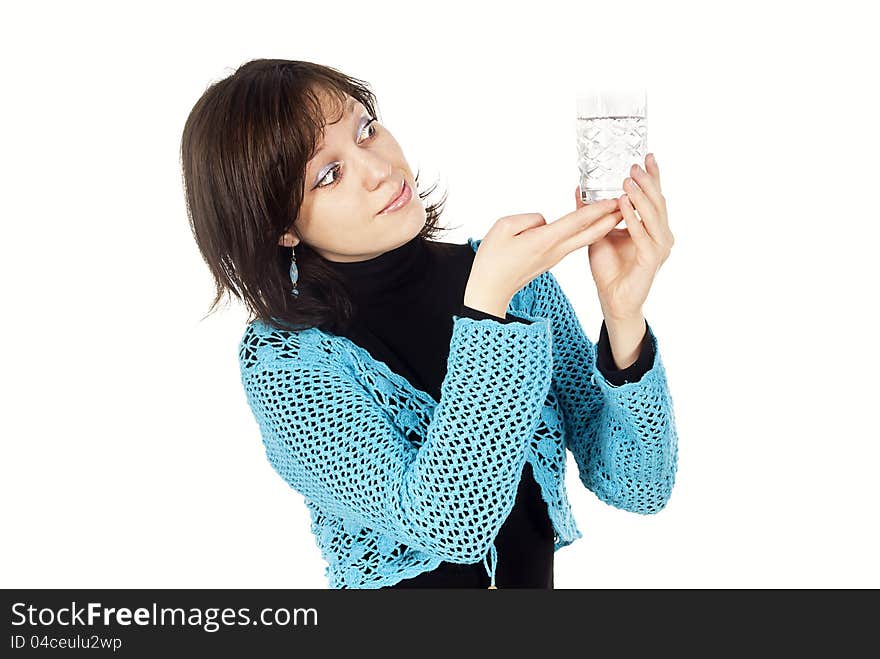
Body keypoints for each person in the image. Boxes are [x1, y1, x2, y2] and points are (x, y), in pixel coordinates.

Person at [180, 59, 679, 589]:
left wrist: (623, 316)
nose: (379, 170)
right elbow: (449, 521)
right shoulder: (284, 359)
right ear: (278, 226)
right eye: (329, 174)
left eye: (366, 130)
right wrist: (487, 310)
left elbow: (638, 485)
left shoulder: (514, 281)